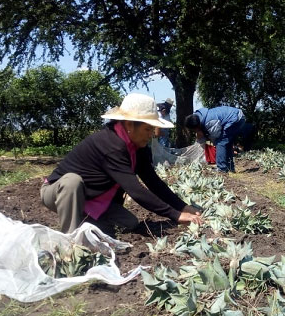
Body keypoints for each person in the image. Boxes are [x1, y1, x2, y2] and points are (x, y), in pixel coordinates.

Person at [40, 93, 203, 235]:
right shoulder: (111, 144)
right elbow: (135, 190)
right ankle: (71, 239)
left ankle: (87, 219)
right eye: (147, 129)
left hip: (92, 197)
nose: (151, 135)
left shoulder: (135, 146)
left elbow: (153, 182)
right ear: (130, 125)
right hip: (58, 193)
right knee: (72, 182)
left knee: (130, 223)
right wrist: (174, 215)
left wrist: (182, 207)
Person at [184, 106, 254, 173]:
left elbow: (216, 135)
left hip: (235, 119)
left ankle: (221, 169)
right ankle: (230, 168)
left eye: (193, 130)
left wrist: (207, 138)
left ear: (197, 126)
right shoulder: (199, 116)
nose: (194, 131)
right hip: (236, 117)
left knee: (220, 142)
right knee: (227, 143)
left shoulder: (209, 121)